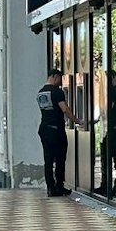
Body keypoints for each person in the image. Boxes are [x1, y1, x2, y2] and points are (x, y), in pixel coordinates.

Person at [37, 69, 86, 197]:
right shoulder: (57, 92)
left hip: (44, 128)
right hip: (56, 130)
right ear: (54, 77)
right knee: (60, 158)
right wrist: (77, 120)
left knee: (48, 159)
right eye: (60, 78)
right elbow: (65, 109)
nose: (60, 82)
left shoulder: (41, 92)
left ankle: (50, 188)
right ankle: (59, 186)